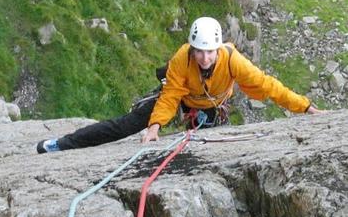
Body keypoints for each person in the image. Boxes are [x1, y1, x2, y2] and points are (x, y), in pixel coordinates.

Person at [37, 16, 322, 153]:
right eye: (199, 51)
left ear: (218, 49)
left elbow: (267, 86)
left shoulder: (233, 60)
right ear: (192, 48)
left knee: (203, 149)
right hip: (184, 98)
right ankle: (62, 144)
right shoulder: (181, 59)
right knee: (125, 125)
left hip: (209, 107)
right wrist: (154, 126)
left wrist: (305, 107)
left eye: (210, 51)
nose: (205, 57)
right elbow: (171, 94)